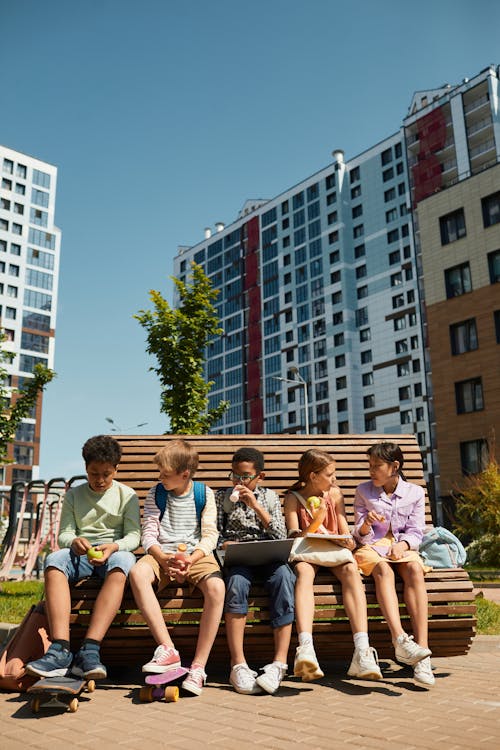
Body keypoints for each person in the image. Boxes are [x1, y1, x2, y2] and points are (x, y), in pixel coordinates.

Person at [26, 435, 140, 680]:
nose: (99, 480)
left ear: (116, 469)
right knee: (54, 560)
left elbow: (134, 536)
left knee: (123, 562)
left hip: (113, 552)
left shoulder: (127, 495)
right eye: (93, 473)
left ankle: (90, 649)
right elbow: (65, 533)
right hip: (80, 553)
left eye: (106, 474)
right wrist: (73, 542)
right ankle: (61, 649)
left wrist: (114, 546)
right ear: (85, 469)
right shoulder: (73, 495)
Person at [129, 438, 225, 696]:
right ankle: (168, 649)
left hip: (195, 554)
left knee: (216, 587)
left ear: (185, 474)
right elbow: (148, 534)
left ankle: (198, 668)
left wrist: (192, 559)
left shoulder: (205, 494)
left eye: (166, 474)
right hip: (163, 553)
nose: (160, 478)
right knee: (137, 573)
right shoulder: (156, 493)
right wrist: (162, 558)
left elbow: (209, 536)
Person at [284, 448, 382, 683]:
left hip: (332, 548)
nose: (334, 479)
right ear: (313, 476)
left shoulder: (335, 494)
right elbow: (294, 535)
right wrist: (316, 520)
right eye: (329, 474)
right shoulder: (292, 497)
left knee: (350, 569)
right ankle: (305, 648)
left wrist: (347, 539)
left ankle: (362, 650)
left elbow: (343, 528)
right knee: (304, 572)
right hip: (308, 550)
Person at [353, 441, 434, 687]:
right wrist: (367, 523)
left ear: (394, 466)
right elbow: (359, 534)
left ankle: (422, 654)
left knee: (414, 569)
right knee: (383, 570)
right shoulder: (363, 491)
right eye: (370, 465)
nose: (372, 470)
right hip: (372, 549)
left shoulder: (415, 492)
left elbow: (416, 531)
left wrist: (404, 545)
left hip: (401, 547)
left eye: (377, 466)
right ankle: (399, 640)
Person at [216, 447, 295, 695]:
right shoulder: (222, 498)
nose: (239, 482)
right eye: (235, 475)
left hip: (268, 553)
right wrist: (225, 545)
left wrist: (256, 505)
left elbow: (280, 535)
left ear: (260, 476)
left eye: (246, 477)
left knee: (283, 577)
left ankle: (279, 664)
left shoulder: (270, 497)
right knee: (236, 583)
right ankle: (238, 664)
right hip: (239, 556)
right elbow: (215, 535)